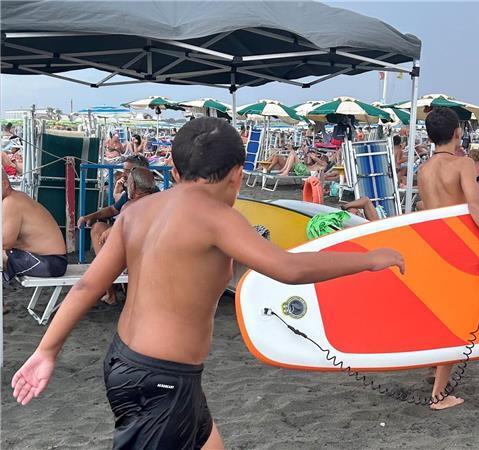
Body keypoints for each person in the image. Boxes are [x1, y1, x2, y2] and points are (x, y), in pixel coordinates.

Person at [11, 117, 404, 449]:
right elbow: (288, 269)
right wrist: (368, 259)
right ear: (237, 175)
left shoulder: (137, 212)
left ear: (177, 172)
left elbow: (85, 287)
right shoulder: (219, 217)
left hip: (131, 362)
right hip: (161, 379)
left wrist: (47, 351)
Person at [416, 108, 479, 410]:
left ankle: (434, 367)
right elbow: (475, 205)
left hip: (432, 245)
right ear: (457, 132)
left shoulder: (424, 169)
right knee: (456, 318)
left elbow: (423, 208)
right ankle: (439, 395)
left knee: (439, 311)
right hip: (457, 246)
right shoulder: (463, 164)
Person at [77, 155, 149, 304]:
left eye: (128, 171)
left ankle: (110, 283)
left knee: (103, 231)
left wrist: (117, 228)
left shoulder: (151, 194)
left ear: (139, 173)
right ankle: (110, 291)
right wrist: (89, 216)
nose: (123, 174)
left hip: (141, 246)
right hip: (126, 240)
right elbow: (112, 209)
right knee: (97, 228)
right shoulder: (130, 193)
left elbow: (141, 222)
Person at [89, 167, 161, 306]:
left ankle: (109, 291)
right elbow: (114, 210)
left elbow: (132, 227)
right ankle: (111, 289)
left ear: (133, 185)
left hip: (134, 257)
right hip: (149, 254)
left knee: (99, 231)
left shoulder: (131, 205)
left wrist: (114, 229)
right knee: (100, 229)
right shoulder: (158, 200)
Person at [2, 172, 67, 313]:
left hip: (51, 262)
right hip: (51, 260)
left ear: (5, 184)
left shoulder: (11, 202)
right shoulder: (17, 197)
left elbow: (5, 242)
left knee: (2, 256)